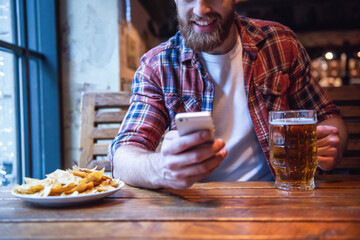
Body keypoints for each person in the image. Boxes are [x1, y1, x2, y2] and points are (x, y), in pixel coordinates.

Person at [108, 0, 348, 189]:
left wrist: (332, 144)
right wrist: (162, 168)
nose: (201, 9)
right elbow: (124, 154)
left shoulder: (280, 43)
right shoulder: (158, 64)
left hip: (277, 196)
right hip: (196, 202)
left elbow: (329, 116)